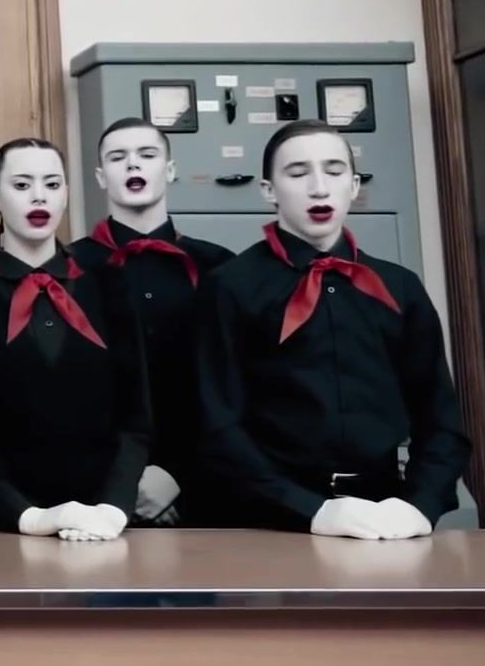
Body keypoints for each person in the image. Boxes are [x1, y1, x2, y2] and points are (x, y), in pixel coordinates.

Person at [197, 119, 470, 539]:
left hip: (382, 515)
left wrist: (421, 506)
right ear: (269, 190)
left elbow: (439, 417)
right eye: (298, 173)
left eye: (334, 171)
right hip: (267, 521)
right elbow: (216, 424)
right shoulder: (229, 287)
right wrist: (309, 510)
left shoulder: (400, 287)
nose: (319, 188)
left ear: (354, 185)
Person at [0, 139, 146, 542]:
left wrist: (113, 507)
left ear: (66, 193)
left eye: (52, 184)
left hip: (101, 518)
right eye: (22, 185)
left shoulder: (108, 287)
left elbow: (137, 416)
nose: (39, 196)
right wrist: (26, 515)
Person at [70, 117, 234, 526]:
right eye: (117, 157)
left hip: (205, 486)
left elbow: (233, 389)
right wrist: (122, 481)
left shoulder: (219, 268)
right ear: (100, 176)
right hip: (94, 491)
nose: (133, 164)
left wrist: (178, 474)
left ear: (170, 169)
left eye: (147, 154)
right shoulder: (68, 269)